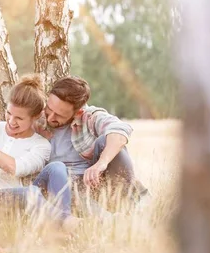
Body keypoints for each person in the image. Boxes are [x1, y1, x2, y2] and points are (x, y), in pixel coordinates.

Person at [0, 74, 79, 229]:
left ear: (35, 117)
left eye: (20, 118)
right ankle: (67, 223)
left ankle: (62, 225)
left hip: (17, 204)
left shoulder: (41, 145)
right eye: (9, 113)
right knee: (30, 193)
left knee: (57, 168)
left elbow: (14, 168)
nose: (11, 121)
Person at [35, 76, 149, 213]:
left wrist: (101, 163)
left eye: (59, 115)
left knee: (106, 141)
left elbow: (120, 130)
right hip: (63, 185)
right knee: (64, 180)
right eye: (49, 108)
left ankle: (129, 204)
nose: (50, 117)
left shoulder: (89, 116)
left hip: (93, 181)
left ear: (78, 112)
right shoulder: (37, 118)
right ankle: (107, 220)